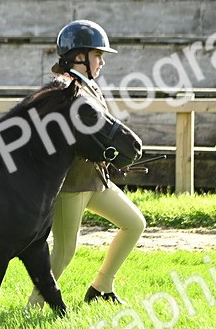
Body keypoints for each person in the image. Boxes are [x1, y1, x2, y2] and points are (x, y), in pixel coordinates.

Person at [29, 20, 147, 308]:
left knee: (134, 224)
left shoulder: (88, 87)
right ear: (77, 56)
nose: (102, 62)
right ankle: (35, 305)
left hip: (95, 179)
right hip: (71, 183)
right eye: (98, 55)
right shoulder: (63, 91)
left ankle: (101, 287)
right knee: (65, 251)